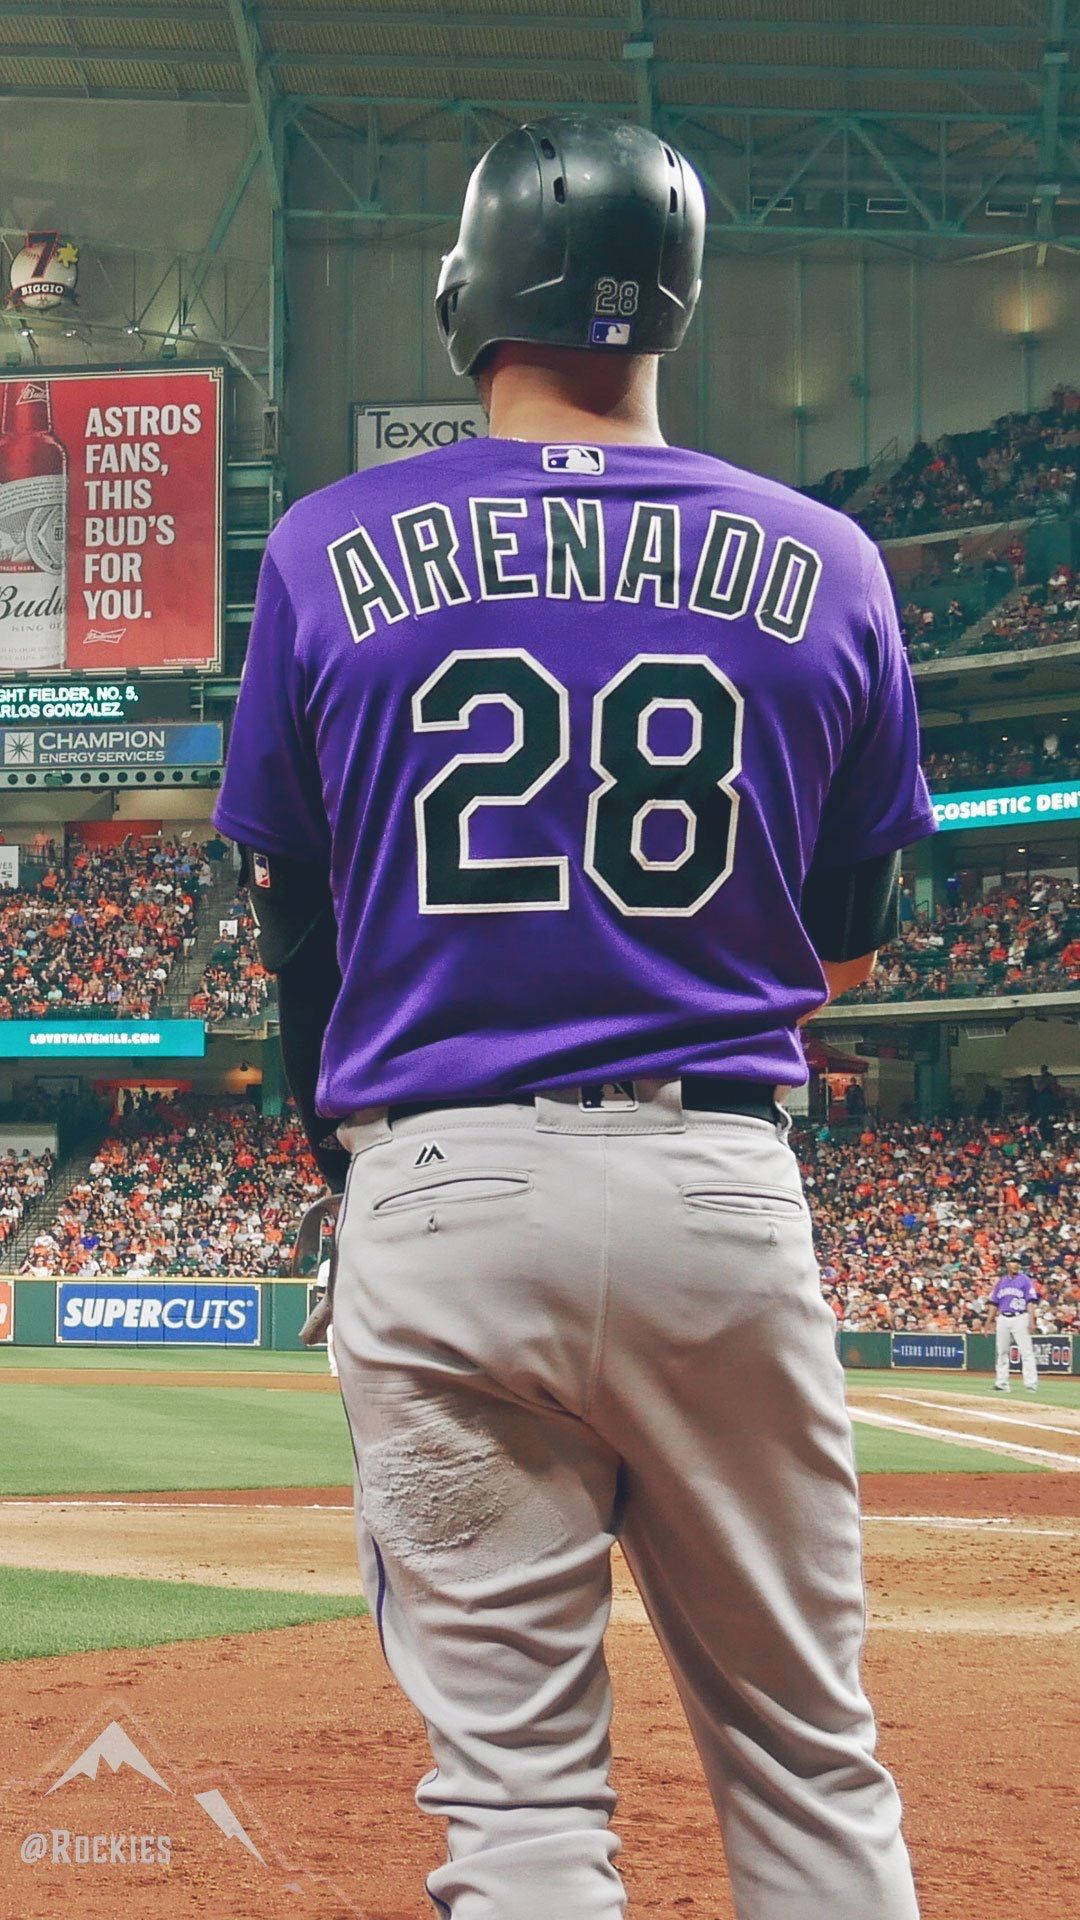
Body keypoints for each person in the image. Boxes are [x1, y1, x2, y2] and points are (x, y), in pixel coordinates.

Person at [215, 114, 934, 1920]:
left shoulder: (324, 547)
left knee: (520, 1805)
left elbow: (293, 919)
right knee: (811, 1764)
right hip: (718, 1191)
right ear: (671, 312)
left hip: (440, 1193)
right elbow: (847, 947)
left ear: (467, 298)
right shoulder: (832, 562)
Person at [986, 1258, 1039, 1392]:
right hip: (1003, 1318)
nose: (1016, 1264)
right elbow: (994, 1303)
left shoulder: (1025, 1280)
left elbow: (1031, 1302)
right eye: (1013, 1262)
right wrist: (988, 1322)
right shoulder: (1001, 1282)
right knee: (1001, 1352)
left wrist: (1032, 1321)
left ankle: (1031, 1384)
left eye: (1018, 1262)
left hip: (1020, 1317)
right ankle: (1001, 1384)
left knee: (1026, 1352)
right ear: (1007, 1264)